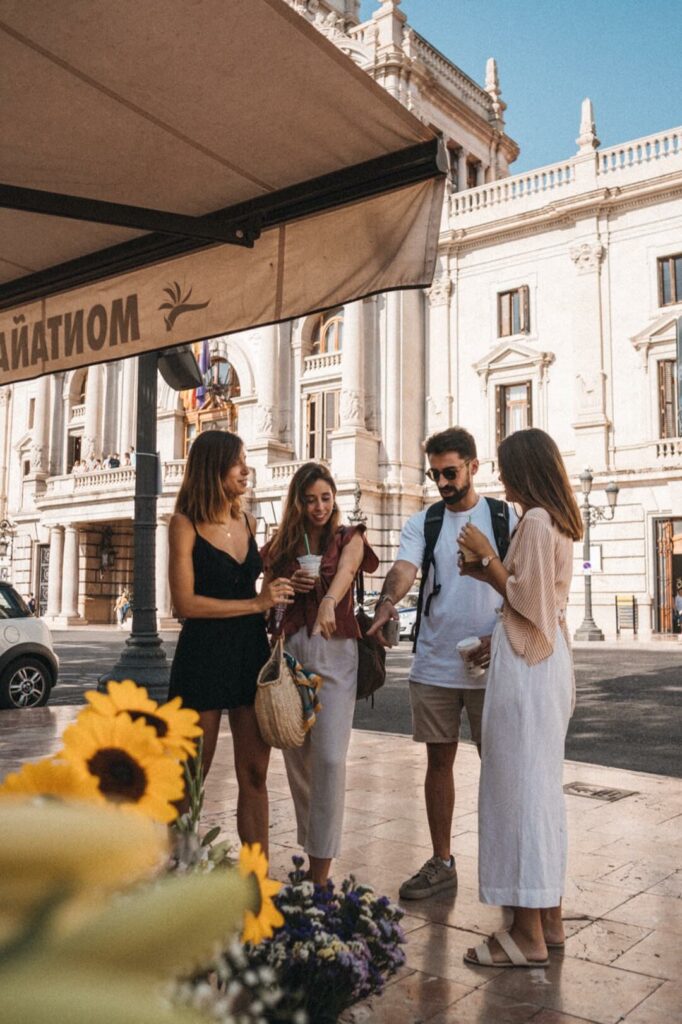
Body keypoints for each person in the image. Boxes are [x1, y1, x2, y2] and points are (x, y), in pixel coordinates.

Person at [368, 426, 515, 900]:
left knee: (500, 763)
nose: (443, 482)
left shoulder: (503, 516)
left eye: (450, 472)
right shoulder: (423, 522)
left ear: (474, 466)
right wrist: (388, 602)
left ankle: (510, 862)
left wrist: (503, 634)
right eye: (435, 475)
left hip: (493, 657)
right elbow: (404, 569)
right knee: (438, 762)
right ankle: (442, 860)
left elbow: (522, 583)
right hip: (434, 659)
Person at [457, 427, 582, 968]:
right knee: (540, 791)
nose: (500, 478)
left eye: (507, 467)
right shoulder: (558, 521)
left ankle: (527, 935)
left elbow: (526, 598)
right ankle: (548, 921)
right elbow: (542, 605)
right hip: (547, 662)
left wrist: (486, 562)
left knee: (518, 793)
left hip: (529, 670)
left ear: (526, 470)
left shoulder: (533, 519)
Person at [167, 430, 293, 855]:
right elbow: (184, 604)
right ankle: (179, 869)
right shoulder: (183, 524)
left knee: (255, 773)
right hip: (201, 655)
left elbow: (260, 591)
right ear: (212, 468)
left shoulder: (249, 521)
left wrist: (276, 585)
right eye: (237, 462)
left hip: (249, 654)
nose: (246, 469)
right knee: (191, 774)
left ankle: (256, 875)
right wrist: (255, 604)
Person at [261, 462, 379, 885]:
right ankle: (314, 852)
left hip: (336, 650)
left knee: (329, 758)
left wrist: (328, 599)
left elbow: (349, 568)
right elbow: (268, 601)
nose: (319, 507)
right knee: (298, 758)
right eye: (310, 499)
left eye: (326, 498)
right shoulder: (281, 545)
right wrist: (287, 585)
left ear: (335, 499)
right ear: (298, 501)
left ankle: (322, 870)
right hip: (292, 650)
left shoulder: (350, 536)